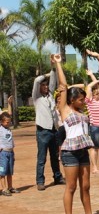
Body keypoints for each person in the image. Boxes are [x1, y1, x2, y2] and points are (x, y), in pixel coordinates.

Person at [53, 54, 99, 214]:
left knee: (86, 186)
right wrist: (58, 64)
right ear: (71, 100)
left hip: (83, 150)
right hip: (69, 152)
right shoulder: (65, 110)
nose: (83, 101)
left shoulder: (82, 112)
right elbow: (63, 86)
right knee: (71, 186)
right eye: (80, 99)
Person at [32, 56, 65, 191]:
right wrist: (44, 75)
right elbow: (36, 80)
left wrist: (52, 67)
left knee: (54, 156)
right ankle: (40, 181)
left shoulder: (50, 95)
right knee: (41, 157)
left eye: (46, 85)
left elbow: (53, 80)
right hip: (42, 131)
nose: (46, 87)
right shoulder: (36, 97)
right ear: (39, 87)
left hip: (53, 130)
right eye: (43, 85)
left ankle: (57, 177)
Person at [0, 96, 20, 196]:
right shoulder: (0, 128)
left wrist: (9, 103)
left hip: (10, 152)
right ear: (1, 122)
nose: (9, 123)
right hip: (2, 153)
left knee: (10, 172)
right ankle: (4, 189)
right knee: (2, 172)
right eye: (7, 122)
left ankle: (10, 187)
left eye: (9, 121)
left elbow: (9, 114)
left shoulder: (8, 128)